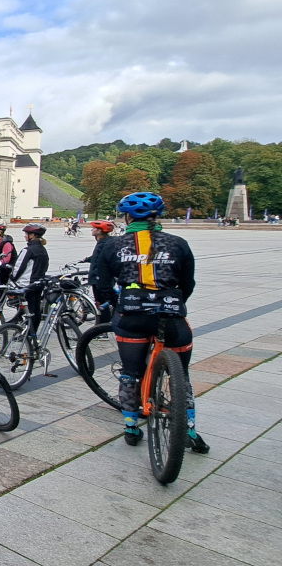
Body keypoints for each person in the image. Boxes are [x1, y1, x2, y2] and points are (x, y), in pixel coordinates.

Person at [103, 192, 209, 453]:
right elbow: (187, 284)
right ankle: (190, 429)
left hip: (132, 315)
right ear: (157, 216)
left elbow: (101, 286)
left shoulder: (112, 246)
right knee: (181, 376)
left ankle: (130, 426)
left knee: (131, 372)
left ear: (127, 217)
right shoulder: (178, 243)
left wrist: (117, 302)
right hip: (171, 315)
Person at [8, 223, 49, 342]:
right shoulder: (42, 249)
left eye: (26, 234)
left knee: (29, 310)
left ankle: (28, 333)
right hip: (39, 283)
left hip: (27, 284)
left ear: (32, 235)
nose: (25, 236)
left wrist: (13, 278)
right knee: (36, 309)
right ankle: (33, 333)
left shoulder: (28, 250)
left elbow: (18, 267)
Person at [83, 220, 118, 323]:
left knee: (101, 304)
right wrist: (88, 259)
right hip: (100, 277)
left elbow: (102, 260)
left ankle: (103, 328)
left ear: (99, 231)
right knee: (103, 302)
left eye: (94, 228)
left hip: (99, 278)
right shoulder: (104, 242)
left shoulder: (104, 243)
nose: (92, 230)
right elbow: (98, 257)